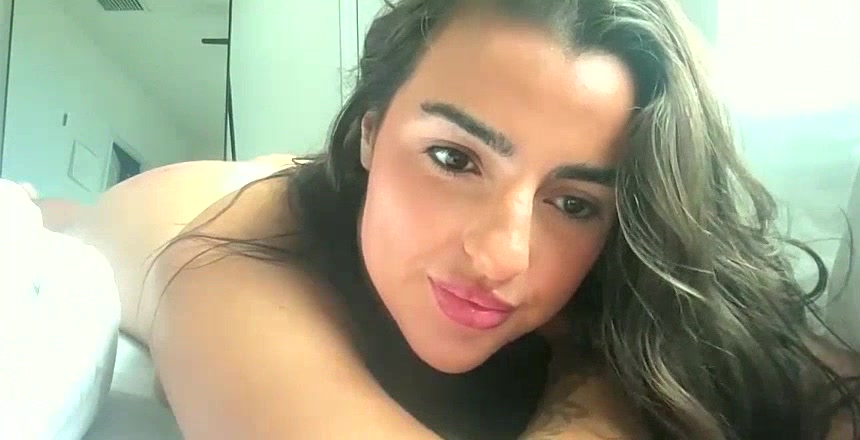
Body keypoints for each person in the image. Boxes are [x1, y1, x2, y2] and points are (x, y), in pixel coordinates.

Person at [52, 0, 860, 438]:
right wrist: (596, 400)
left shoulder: (621, 284)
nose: (502, 254)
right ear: (371, 130)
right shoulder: (229, 242)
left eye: (573, 203)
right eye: (454, 158)